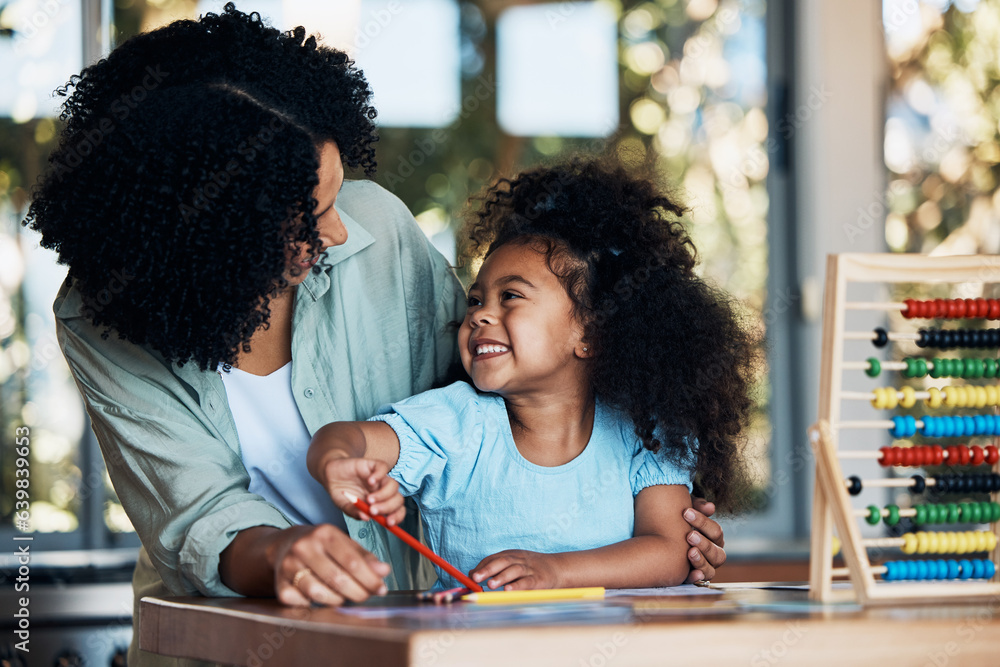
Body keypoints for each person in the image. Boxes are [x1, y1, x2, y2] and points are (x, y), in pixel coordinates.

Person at [24, 5, 728, 665]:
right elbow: (198, 517)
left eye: (337, 194)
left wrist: (656, 528)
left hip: (396, 637)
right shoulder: (103, 318)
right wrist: (283, 553)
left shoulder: (376, 230)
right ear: (215, 231)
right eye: (311, 213)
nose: (337, 229)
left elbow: (495, 390)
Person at [309, 158, 759, 591]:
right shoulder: (454, 422)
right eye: (475, 300)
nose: (481, 314)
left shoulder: (646, 433)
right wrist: (337, 461)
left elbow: (668, 552)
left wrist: (555, 572)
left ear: (593, 334)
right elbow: (345, 438)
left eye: (510, 296)